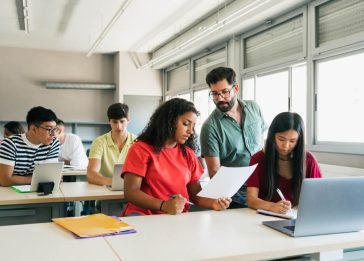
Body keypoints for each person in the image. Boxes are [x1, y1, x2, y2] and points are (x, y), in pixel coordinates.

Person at [122, 98, 232, 216]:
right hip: (143, 216)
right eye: (186, 124)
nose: (190, 131)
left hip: (175, 218)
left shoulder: (188, 154)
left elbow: (196, 195)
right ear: (169, 121)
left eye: (193, 126)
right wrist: (163, 205)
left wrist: (214, 203)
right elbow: (131, 192)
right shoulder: (141, 149)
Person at [200, 67, 267, 208]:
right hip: (236, 196)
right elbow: (214, 172)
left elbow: (262, 143)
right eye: (214, 94)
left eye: (225, 92)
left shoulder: (254, 108)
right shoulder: (210, 127)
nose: (220, 99)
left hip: (264, 186)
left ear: (235, 88)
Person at [246, 112, 322, 214]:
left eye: (292, 141)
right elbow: (251, 199)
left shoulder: (309, 160)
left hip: (297, 216)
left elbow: (319, 196)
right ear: (272, 136)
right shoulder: (258, 159)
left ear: (299, 141)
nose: (286, 146)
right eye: (281, 139)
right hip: (265, 216)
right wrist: (272, 206)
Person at [0, 106, 60, 186]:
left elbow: (49, 177)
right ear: (33, 129)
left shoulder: (53, 143)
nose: (53, 134)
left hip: (36, 191)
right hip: (9, 193)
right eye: (49, 129)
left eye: (54, 129)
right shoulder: (10, 143)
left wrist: (17, 178)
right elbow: (5, 180)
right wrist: (36, 179)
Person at [87, 103, 136, 186]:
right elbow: (91, 174)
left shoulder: (138, 142)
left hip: (132, 191)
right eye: (115, 122)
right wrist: (116, 183)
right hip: (105, 192)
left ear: (128, 120)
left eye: (122, 121)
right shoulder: (99, 142)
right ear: (109, 121)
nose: (119, 127)